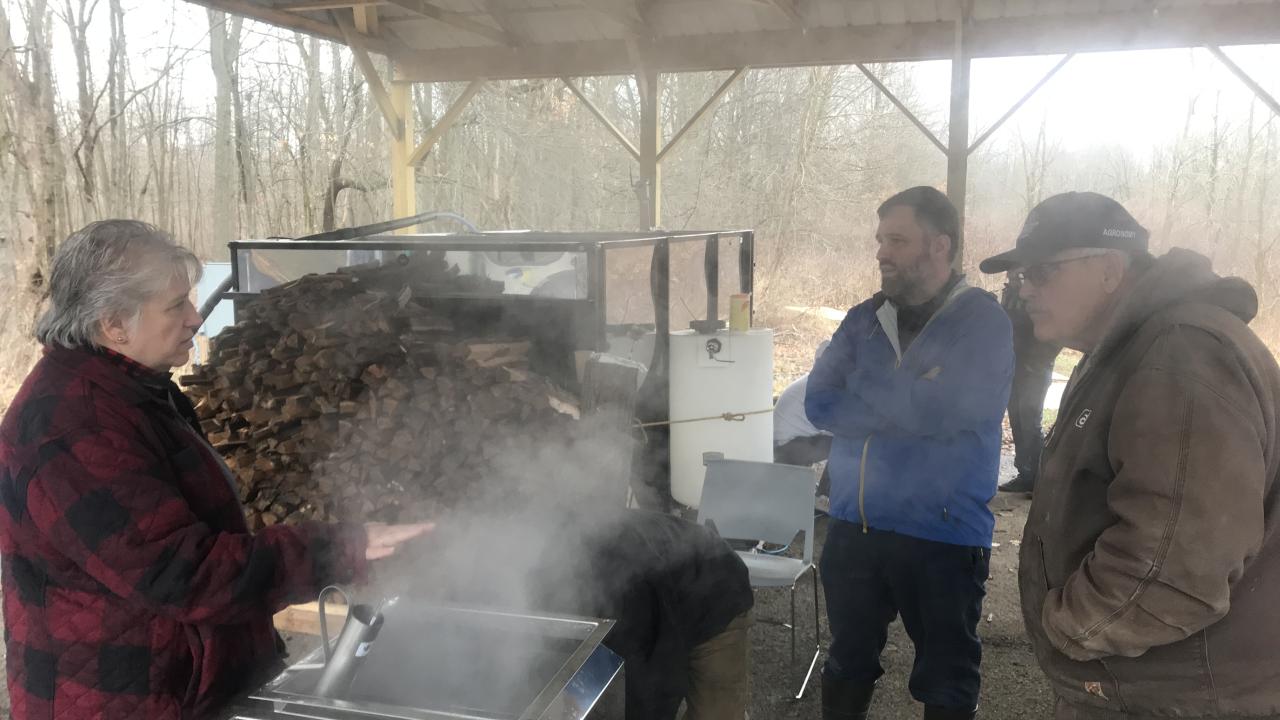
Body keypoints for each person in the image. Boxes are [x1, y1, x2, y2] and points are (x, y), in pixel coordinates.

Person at [0, 220, 432, 720]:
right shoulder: (72, 424)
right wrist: (335, 549)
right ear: (114, 324)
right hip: (124, 701)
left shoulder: (132, 391)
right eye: (175, 305)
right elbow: (184, 573)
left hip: (176, 688)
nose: (194, 317)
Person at [980, 191, 1280, 719]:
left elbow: (1177, 567)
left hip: (1173, 696)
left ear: (1110, 269)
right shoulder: (1133, 348)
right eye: (1020, 275)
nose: (1023, 289)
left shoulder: (1182, 357)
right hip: (1147, 684)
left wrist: (1067, 627)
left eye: (1043, 272)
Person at [806, 187, 1013, 720]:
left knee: (946, 677)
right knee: (848, 659)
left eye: (897, 240)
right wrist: (910, 394)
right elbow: (818, 403)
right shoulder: (863, 317)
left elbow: (944, 413)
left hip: (942, 531)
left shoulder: (982, 323)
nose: (881, 252)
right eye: (880, 240)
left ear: (940, 245)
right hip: (855, 524)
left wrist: (868, 383)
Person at [998, 273, 1061, 494]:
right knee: (1016, 418)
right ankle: (1025, 474)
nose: (1014, 278)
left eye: (1019, 274)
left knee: (1030, 421)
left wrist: (1039, 361)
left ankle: (1039, 478)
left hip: (1034, 368)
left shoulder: (1041, 296)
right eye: (1011, 274)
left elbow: (1054, 333)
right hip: (1013, 364)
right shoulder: (1010, 295)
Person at [774, 340, 833, 496]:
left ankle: (821, 493)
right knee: (847, 444)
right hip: (789, 448)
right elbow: (840, 425)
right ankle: (824, 496)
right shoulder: (821, 387)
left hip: (786, 443)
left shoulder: (813, 380)